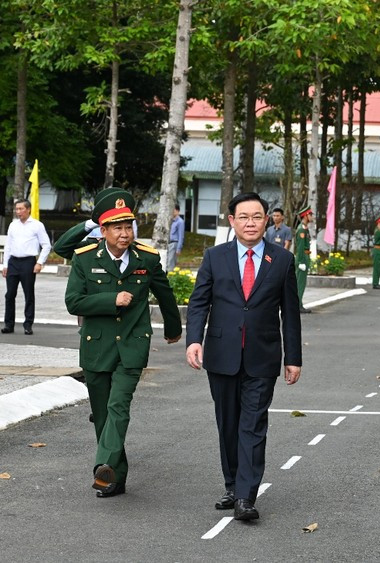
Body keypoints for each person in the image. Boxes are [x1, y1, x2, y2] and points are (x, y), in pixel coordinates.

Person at [186, 192, 302, 522]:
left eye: (257, 216)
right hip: (221, 354)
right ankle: (232, 485)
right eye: (244, 217)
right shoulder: (215, 257)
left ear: (268, 220)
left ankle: (246, 497)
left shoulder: (281, 260)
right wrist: (194, 340)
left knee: (253, 424)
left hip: (262, 356)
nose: (250, 223)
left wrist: (293, 357)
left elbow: (290, 314)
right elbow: (199, 303)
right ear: (232, 221)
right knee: (228, 423)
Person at [64, 188, 182, 498]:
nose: (125, 233)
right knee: (102, 415)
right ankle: (116, 477)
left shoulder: (147, 258)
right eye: (117, 227)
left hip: (132, 344)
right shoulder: (85, 259)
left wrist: (173, 327)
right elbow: (73, 302)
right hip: (96, 347)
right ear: (102, 231)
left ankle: (103, 465)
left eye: (128, 226)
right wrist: (110, 299)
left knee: (119, 406)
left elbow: (165, 294)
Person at [2, 199, 52, 335]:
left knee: (28, 294)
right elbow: (8, 246)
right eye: (16, 209)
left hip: (28, 262)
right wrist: (5, 264)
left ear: (28, 209)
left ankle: (28, 324)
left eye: (21, 209)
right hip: (13, 262)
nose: (18, 212)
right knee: (10, 294)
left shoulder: (37, 225)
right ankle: (9, 324)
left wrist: (39, 262)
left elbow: (46, 245)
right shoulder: (13, 225)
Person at [293, 206, 313, 314]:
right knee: (300, 283)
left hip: (305, 256)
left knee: (301, 282)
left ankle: (299, 304)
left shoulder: (304, 228)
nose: (312, 217)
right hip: (302, 257)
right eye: (310, 215)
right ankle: (298, 305)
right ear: (305, 216)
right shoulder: (301, 229)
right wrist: (300, 261)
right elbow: (300, 247)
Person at [168, 203, 185, 271]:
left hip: (174, 244)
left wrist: (179, 248)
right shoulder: (170, 221)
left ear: (178, 211)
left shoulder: (180, 222)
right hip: (168, 243)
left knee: (170, 263)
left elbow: (181, 236)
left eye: (173, 210)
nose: (172, 212)